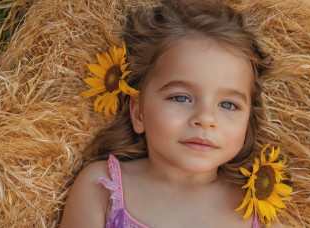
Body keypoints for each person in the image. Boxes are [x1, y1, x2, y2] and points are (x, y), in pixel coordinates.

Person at [60, 0, 276, 227]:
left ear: (248, 119)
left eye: (228, 105)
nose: (206, 118)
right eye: (181, 98)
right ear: (138, 113)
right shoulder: (102, 187)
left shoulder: (256, 208)